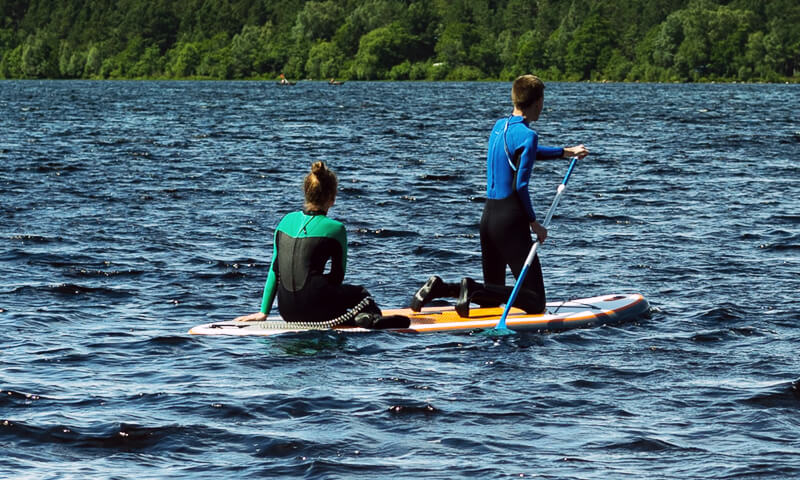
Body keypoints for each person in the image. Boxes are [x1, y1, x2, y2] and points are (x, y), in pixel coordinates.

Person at [409, 75, 587, 316]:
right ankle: (469, 287)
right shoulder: (528, 135)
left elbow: (525, 152)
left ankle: (442, 288)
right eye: (543, 101)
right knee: (535, 302)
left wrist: (565, 152)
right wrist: (535, 223)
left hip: (488, 219)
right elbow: (520, 186)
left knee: (490, 301)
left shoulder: (498, 126)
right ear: (537, 102)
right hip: (511, 221)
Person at [236, 161, 404, 329]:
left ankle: (350, 317)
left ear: (306, 193)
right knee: (361, 295)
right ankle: (367, 319)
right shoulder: (336, 229)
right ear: (332, 198)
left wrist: (263, 312)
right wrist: (319, 287)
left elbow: (274, 271)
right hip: (317, 308)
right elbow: (338, 276)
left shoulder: (284, 221)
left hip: (286, 311)